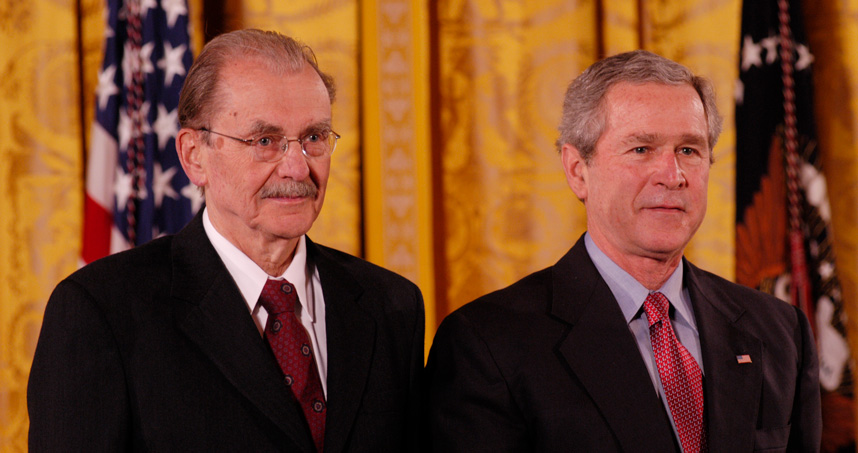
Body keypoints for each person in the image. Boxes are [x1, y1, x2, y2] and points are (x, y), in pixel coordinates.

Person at [29, 29, 424, 452]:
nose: (296, 167)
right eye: (265, 141)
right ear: (194, 156)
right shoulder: (101, 312)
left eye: (313, 138)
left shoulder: (391, 305)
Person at [424, 50, 821, 452]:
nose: (673, 176)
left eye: (689, 150)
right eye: (641, 149)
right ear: (578, 170)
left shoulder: (779, 331)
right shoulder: (489, 344)